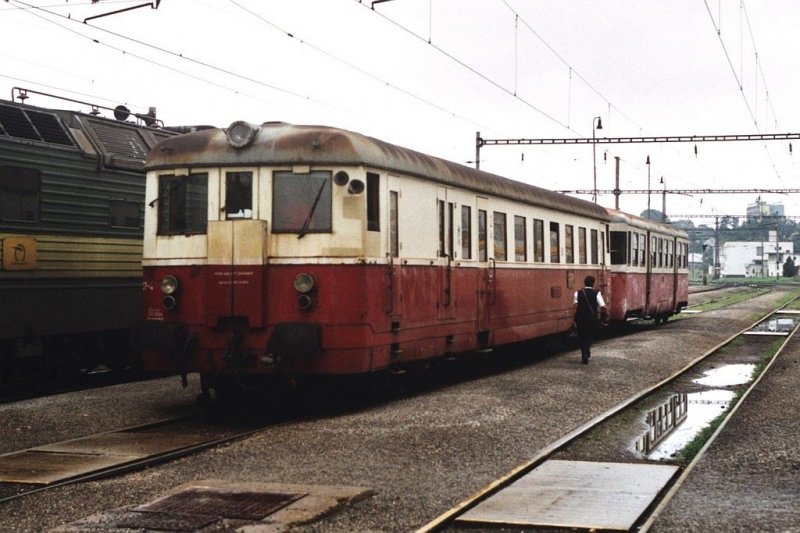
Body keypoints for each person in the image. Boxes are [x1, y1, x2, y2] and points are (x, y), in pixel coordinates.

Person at [573, 275, 607, 365]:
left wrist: (574, 319)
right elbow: (603, 306)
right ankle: (586, 353)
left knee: (581, 337)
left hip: (580, 318)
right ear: (593, 283)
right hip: (591, 319)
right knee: (588, 336)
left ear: (584, 283)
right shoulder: (597, 293)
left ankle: (583, 353)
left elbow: (575, 307)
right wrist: (604, 315)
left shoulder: (577, 293)